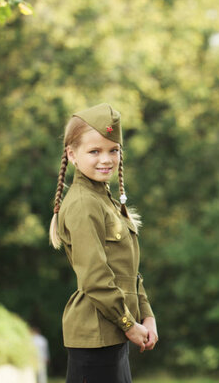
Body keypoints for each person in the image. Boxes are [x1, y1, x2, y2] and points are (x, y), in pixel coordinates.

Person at [48, 103, 158, 383]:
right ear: (72, 154)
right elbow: (96, 278)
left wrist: (146, 315)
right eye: (94, 151)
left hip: (111, 334)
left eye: (113, 150)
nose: (106, 159)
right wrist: (128, 324)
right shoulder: (84, 203)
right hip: (96, 338)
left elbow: (128, 271)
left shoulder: (103, 200)